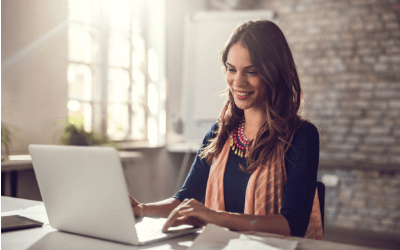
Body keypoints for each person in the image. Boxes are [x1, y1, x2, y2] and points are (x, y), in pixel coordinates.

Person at [130, 20, 323, 240]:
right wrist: (143, 209)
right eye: (232, 69)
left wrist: (215, 217)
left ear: (274, 73)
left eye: (251, 72)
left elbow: (293, 225)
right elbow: (186, 198)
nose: (237, 82)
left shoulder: (302, 135)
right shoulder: (220, 132)